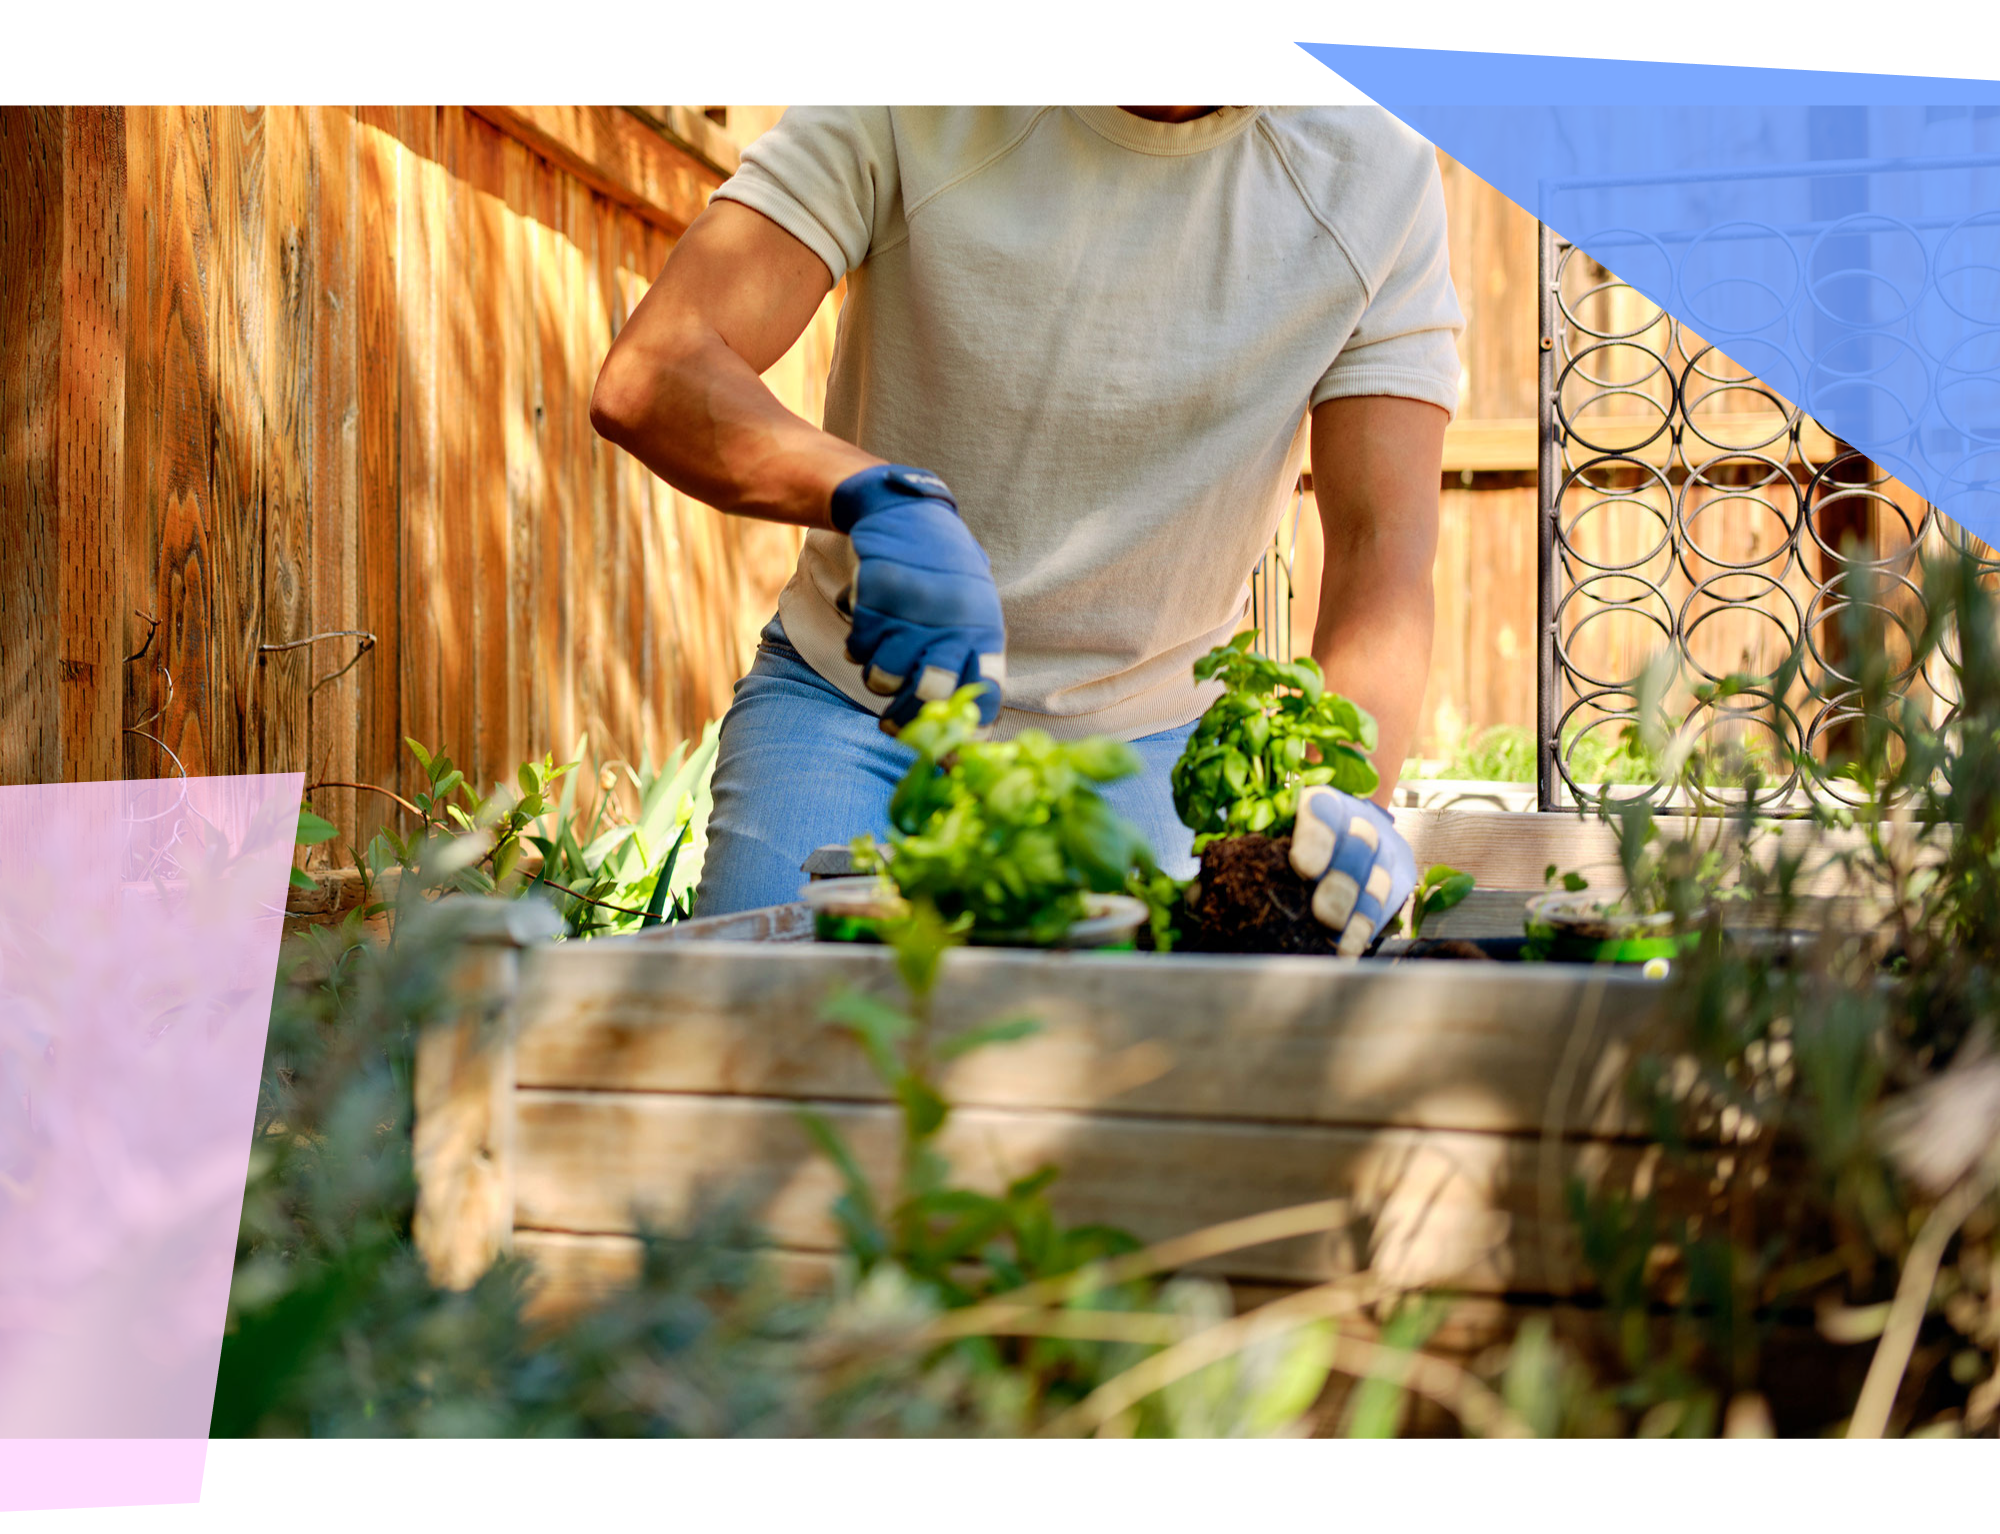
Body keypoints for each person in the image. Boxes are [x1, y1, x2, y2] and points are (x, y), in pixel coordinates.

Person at [590, 103, 1461, 953]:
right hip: (853, 709)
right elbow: (657, 370)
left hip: (1137, 752)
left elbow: (1378, 546)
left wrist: (1349, 797)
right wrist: (872, 493)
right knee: (762, 1051)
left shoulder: (1375, 176)